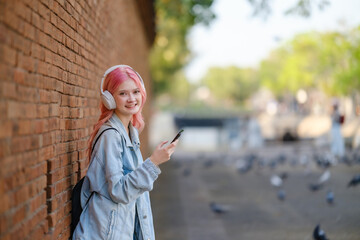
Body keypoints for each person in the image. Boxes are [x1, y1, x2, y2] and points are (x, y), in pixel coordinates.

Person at [72, 65, 178, 240]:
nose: (131, 99)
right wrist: (153, 162)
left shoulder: (130, 131)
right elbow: (119, 191)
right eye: (123, 93)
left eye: (135, 91)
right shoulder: (111, 136)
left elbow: (134, 192)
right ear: (109, 99)